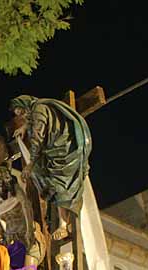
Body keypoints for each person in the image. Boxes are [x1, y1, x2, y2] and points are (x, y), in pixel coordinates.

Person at [9, 95, 92, 241]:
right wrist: (24, 127)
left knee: (56, 184)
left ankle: (64, 223)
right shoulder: (39, 108)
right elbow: (34, 121)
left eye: (21, 112)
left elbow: (37, 138)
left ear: (26, 106)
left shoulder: (38, 111)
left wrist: (30, 164)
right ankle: (64, 221)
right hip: (60, 149)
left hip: (64, 152)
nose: (22, 116)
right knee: (50, 181)